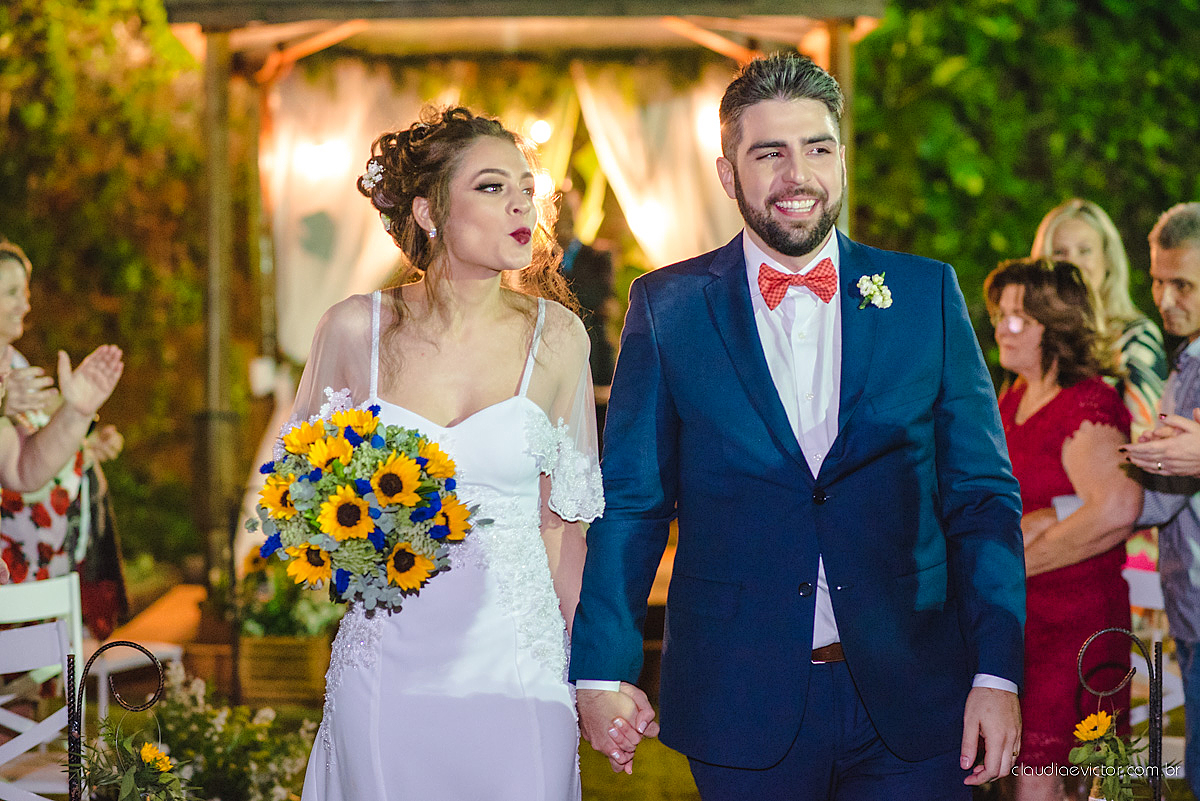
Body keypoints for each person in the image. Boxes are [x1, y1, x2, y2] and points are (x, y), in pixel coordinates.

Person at [570, 53, 1026, 800]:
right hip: (738, 697)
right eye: (769, 152)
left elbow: (981, 497)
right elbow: (632, 502)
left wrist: (997, 669)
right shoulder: (668, 308)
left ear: (842, 157)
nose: (798, 174)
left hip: (916, 695)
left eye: (817, 147)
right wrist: (600, 668)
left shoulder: (923, 293)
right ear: (728, 173)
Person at [296, 106, 603, 801]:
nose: (523, 201)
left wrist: (592, 677)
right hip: (387, 670)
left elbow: (567, 529)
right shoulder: (354, 329)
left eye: (527, 185)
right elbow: (303, 499)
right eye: (493, 187)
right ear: (429, 212)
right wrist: (351, 540)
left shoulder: (557, 339)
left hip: (518, 674)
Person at [985, 257, 1142, 801]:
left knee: (1043, 784)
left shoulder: (1086, 402)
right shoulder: (1010, 401)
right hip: (1021, 627)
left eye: (1019, 319)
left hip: (1072, 628)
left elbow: (1118, 506)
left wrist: (1018, 562)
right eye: (1000, 315)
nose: (1002, 328)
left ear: (1057, 327)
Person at [0, 240, 127, 636]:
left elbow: (22, 472)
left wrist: (75, 415)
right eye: (10, 292)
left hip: (28, 556)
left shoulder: (12, 365)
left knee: (22, 680)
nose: (25, 304)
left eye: (26, 291)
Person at [1121, 202, 1200, 798]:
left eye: (1185, 285)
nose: (1166, 299)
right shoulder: (1187, 359)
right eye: (1158, 280)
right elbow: (1165, 489)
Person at [1032, 199, 1168, 438]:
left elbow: (1146, 438)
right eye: (1059, 252)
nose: (1072, 262)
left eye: (1085, 251)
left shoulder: (1136, 337)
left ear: (1107, 259)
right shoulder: (1035, 340)